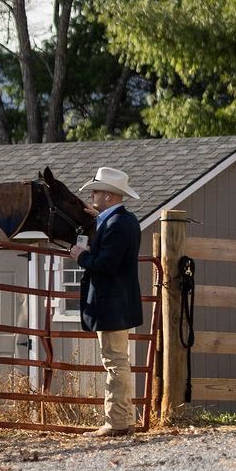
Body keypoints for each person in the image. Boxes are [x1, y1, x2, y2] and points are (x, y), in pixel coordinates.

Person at [69, 166, 143, 438]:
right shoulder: (121, 220)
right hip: (118, 302)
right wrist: (97, 219)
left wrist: (80, 256)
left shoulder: (116, 224)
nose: (93, 195)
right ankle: (123, 418)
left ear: (110, 196)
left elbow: (105, 265)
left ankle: (116, 422)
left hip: (112, 303)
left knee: (114, 362)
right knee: (118, 361)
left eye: (97, 192)